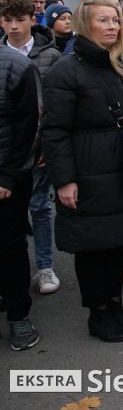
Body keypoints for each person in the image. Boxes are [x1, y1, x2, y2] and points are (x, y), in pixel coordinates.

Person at [41, 0, 123, 342]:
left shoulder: (120, 64)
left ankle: (116, 305)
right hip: (87, 171)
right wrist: (64, 181)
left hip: (121, 169)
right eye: (103, 20)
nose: (112, 26)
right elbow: (55, 131)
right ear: (83, 25)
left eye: (115, 20)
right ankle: (98, 314)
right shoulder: (65, 69)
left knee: (118, 241)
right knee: (93, 247)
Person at [0, 0, 62, 296]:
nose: (13, 26)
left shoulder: (49, 55)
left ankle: (44, 266)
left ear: (32, 20)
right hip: (10, 149)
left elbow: (56, 103)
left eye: (20, 20)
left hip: (39, 147)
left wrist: (46, 147)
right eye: (8, 20)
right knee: (12, 218)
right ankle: (16, 268)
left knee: (39, 207)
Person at [0, 46, 42, 350]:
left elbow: (31, 125)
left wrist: (9, 175)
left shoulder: (16, 65)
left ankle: (18, 315)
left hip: (8, 177)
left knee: (9, 246)